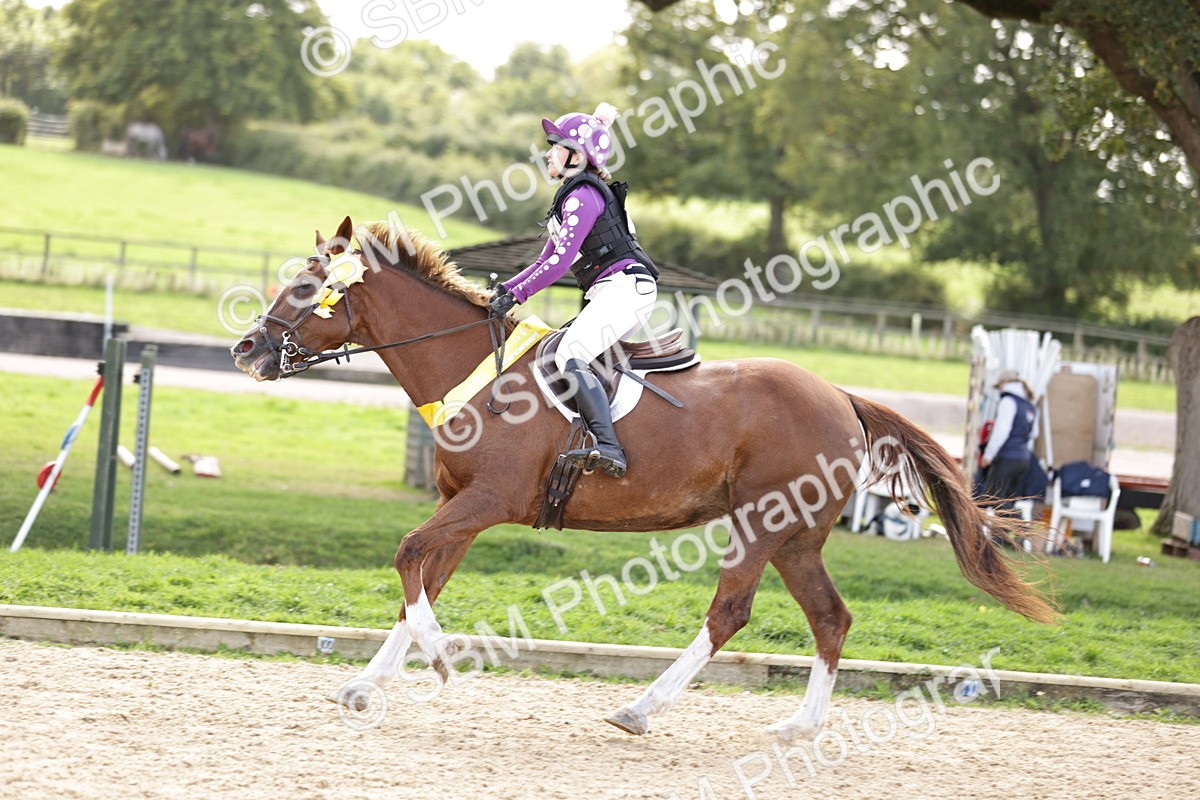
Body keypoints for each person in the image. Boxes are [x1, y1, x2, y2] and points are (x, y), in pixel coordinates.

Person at [488, 102, 659, 478]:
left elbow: (561, 264)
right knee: (567, 353)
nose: (548, 152)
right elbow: (544, 260)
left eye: (556, 144)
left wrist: (516, 296)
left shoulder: (583, 196)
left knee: (571, 352)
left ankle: (610, 448)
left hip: (625, 289)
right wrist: (504, 290)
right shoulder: (574, 195)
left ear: (577, 156)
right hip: (614, 290)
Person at [980, 369, 1039, 509]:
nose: (999, 390)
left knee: (991, 500)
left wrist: (988, 454)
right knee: (1008, 501)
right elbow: (1034, 433)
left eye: (999, 386)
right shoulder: (1030, 405)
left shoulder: (1008, 401)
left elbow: (1001, 431)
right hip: (1023, 459)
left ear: (1004, 383)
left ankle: (990, 530)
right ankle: (1004, 530)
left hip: (1007, 457)